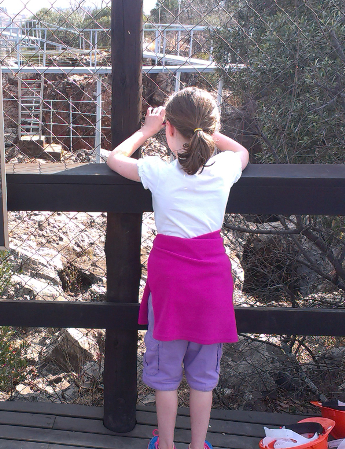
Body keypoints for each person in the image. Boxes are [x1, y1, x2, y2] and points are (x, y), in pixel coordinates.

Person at [106, 87, 249, 449]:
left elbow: (113, 158)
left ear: (170, 129)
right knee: (203, 377)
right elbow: (242, 152)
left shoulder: (156, 171)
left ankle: (166, 445)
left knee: (166, 374)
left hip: (170, 284)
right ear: (210, 130)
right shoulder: (225, 168)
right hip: (212, 282)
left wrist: (147, 130)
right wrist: (208, 130)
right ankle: (198, 446)